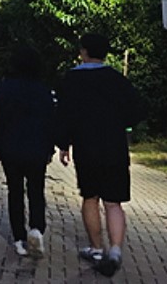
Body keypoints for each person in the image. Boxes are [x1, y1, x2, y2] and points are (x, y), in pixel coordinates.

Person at [55, 33, 146, 276]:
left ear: (83, 51)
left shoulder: (72, 79)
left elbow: (64, 114)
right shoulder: (117, 79)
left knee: (90, 197)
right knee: (114, 202)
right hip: (114, 147)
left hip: (86, 147)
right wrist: (121, 125)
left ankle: (96, 248)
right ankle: (115, 250)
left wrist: (63, 144)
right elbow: (136, 110)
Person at [0, 44, 56, 257]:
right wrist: (50, 148)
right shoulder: (43, 90)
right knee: (36, 190)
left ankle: (19, 237)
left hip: (11, 148)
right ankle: (37, 228)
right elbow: (51, 121)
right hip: (37, 148)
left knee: (15, 191)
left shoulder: (6, 88)